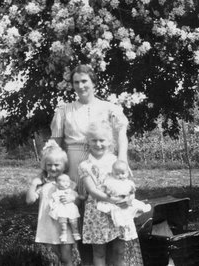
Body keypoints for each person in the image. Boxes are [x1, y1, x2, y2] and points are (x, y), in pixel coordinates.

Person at [51, 64, 133, 264]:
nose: (80, 86)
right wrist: (51, 174)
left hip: (106, 168)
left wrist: (122, 159)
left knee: (110, 213)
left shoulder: (109, 108)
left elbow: (121, 136)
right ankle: (88, 262)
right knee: (77, 218)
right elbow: (55, 143)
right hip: (74, 165)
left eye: (84, 81)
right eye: (76, 82)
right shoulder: (65, 110)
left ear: (94, 83)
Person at [79, 122, 144, 266]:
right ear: (88, 142)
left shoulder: (116, 162)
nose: (98, 144)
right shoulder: (85, 166)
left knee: (119, 250)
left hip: (119, 210)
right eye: (94, 140)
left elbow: (127, 184)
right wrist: (112, 200)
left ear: (109, 142)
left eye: (102, 140)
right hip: (96, 213)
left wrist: (128, 198)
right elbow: (92, 190)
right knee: (99, 253)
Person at [26, 140, 79, 266]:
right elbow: (29, 200)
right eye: (49, 165)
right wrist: (34, 184)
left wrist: (72, 198)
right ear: (45, 165)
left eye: (57, 165)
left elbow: (77, 198)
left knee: (66, 257)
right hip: (48, 224)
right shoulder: (42, 183)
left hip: (64, 224)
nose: (53, 168)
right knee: (54, 257)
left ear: (64, 165)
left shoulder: (67, 182)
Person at [49, 174, 81, 243]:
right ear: (57, 183)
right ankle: (63, 234)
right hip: (62, 210)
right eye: (63, 181)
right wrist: (52, 207)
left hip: (71, 209)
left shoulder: (72, 191)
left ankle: (76, 233)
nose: (66, 183)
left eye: (67, 181)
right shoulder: (56, 193)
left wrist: (73, 198)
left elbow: (76, 197)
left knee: (73, 222)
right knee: (63, 223)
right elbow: (52, 201)